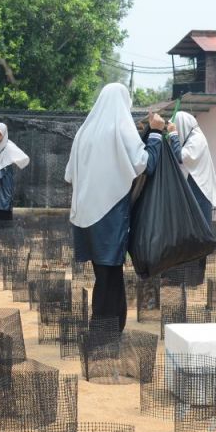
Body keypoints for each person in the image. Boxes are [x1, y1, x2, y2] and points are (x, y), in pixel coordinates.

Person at [66, 83, 163, 332]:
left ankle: (103, 325)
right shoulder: (120, 127)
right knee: (110, 276)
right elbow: (145, 164)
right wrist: (155, 134)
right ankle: (105, 330)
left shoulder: (84, 132)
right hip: (109, 216)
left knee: (104, 275)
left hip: (84, 216)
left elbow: (69, 175)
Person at [166, 111, 216, 224]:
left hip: (200, 191)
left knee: (200, 231)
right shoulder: (189, 140)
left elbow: (181, 157)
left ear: (182, 126)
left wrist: (173, 135)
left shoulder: (197, 139)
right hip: (193, 189)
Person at [0, 123, 30, 237]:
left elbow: (3, 170)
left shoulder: (9, 147)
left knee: (2, 207)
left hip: (3, 184)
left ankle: (3, 237)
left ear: (4, 135)